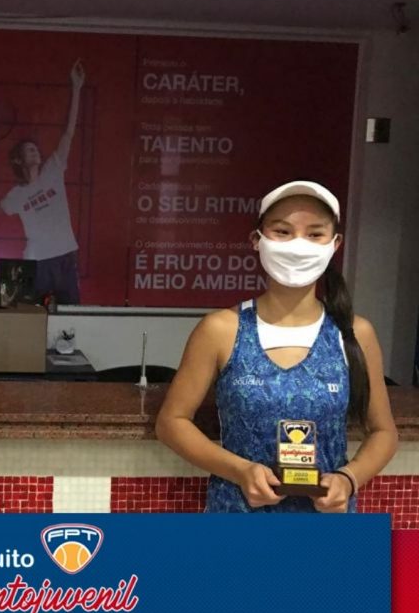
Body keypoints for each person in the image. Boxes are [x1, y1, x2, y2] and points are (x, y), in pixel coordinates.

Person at [156, 181, 398, 513]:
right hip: (238, 519)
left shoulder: (354, 333)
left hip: (327, 526)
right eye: (282, 232)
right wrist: (241, 471)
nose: (298, 245)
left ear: (335, 244)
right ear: (257, 240)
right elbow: (172, 422)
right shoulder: (221, 329)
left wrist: (348, 479)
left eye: (315, 234)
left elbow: (384, 432)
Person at [0, 60, 85, 304]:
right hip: (36, 261)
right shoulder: (16, 195)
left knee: (72, 316)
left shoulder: (53, 170)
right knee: (24, 315)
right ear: (19, 160)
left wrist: (76, 88)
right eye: (29, 150)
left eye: (36, 149)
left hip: (65, 257)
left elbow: (68, 133)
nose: (36, 152)